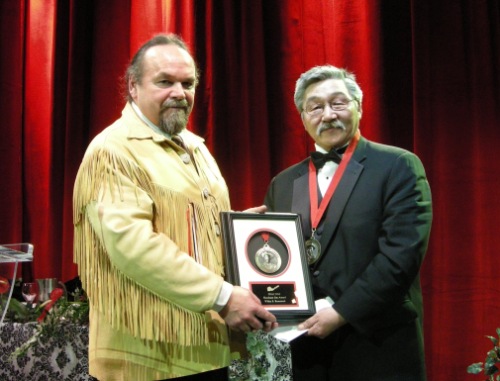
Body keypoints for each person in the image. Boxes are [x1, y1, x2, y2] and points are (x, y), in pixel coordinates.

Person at [73, 34, 277, 381]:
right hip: (147, 358)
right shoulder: (112, 150)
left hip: (204, 349)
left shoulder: (195, 147)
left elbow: (189, 225)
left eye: (188, 83)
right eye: (164, 82)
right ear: (133, 87)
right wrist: (224, 297)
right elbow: (135, 248)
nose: (179, 93)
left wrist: (237, 230)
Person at [264, 65, 432, 380]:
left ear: (359, 107)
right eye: (315, 107)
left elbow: (400, 257)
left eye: (338, 103)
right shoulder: (283, 183)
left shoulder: (398, 166)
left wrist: (342, 313)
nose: (327, 114)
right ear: (303, 117)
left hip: (377, 343)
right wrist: (254, 239)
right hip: (305, 347)